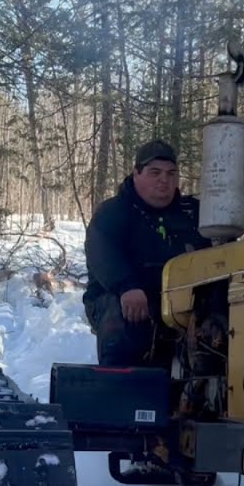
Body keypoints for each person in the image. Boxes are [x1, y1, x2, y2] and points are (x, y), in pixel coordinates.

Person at [83, 140, 211, 367]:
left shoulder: (193, 213)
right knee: (123, 311)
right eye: (155, 172)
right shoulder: (113, 212)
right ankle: (120, 382)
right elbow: (101, 254)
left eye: (171, 173)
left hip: (184, 302)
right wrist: (126, 286)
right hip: (125, 299)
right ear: (136, 174)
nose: (164, 180)